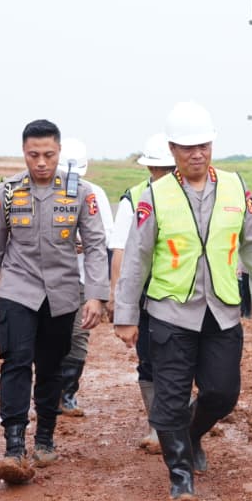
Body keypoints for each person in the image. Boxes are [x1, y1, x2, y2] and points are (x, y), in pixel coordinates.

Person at [114, 102, 252, 501]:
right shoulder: (155, 195)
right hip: (170, 311)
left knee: (222, 393)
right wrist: (126, 315)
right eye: (187, 147)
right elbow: (136, 258)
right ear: (173, 150)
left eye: (203, 145)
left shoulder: (236, 187)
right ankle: (181, 475)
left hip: (222, 309)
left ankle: (190, 434)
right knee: (170, 397)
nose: (197, 154)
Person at [0, 120, 108, 485]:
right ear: (24, 153)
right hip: (18, 290)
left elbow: (95, 246)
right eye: (33, 154)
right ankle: (14, 446)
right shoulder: (8, 192)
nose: (41, 162)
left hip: (61, 294)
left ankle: (45, 436)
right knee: (16, 362)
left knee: (52, 367)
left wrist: (96, 295)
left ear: (59, 152)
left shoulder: (79, 193)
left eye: (48, 155)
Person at [109, 132, 176, 453]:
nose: (167, 175)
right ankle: (157, 427)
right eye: (161, 170)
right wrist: (120, 301)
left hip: (186, 295)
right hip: (148, 296)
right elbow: (120, 251)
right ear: (150, 169)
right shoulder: (134, 200)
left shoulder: (195, 196)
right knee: (149, 359)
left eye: (171, 169)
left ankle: (184, 417)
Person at [56, 137, 114, 417]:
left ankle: (66, 394)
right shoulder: (40, 191)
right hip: (47, 280)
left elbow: (108, 238)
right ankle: (47, 392)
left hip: (82, 279)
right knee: (48, 337)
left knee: (78, 336)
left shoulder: (95, 193)